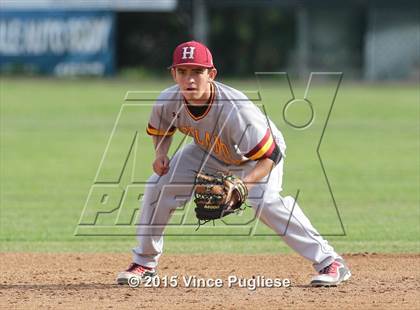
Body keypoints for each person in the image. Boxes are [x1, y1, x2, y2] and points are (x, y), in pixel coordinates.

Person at [117, 41, 351, 287]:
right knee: (158, 185)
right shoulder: (168, 100)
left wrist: (243, 186)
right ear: (173, 74)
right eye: (183, 71)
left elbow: (270, 156)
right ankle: (144, 263)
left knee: (265, 202)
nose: (190, 79)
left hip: (257, 156)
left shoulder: (236, 110)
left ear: (211, 74)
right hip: (210, 150)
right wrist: (160, 153)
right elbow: (162, 129)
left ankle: (330, 262)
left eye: (197, 71)